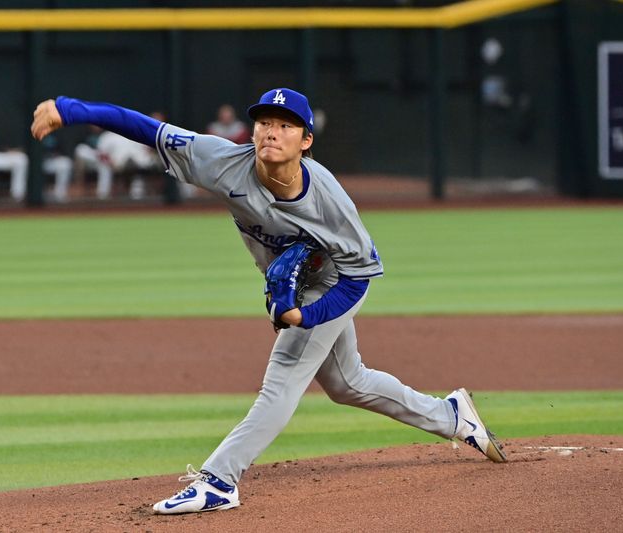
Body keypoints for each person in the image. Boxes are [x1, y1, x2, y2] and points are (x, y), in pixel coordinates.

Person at [31, 87, 507, 515]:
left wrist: (305, 315)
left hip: (333, 282)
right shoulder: (222, 160)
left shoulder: (331, 204)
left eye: (285, 125)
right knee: (346, 382)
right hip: (298, 284)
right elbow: (145, 128)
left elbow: (358, 282)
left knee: (282, 379)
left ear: (306, 140)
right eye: (264, 122)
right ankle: (450, 416)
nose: (271, 132)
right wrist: (69, 110)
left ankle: (220, 480)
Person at [41, 132, 73, 202]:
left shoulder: (57, 133)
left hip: (51, 161)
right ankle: (19, 195)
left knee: (65, 163)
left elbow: (63, 149)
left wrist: (57, 154)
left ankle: (60, 194)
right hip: (37, 162)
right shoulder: (33, 130)